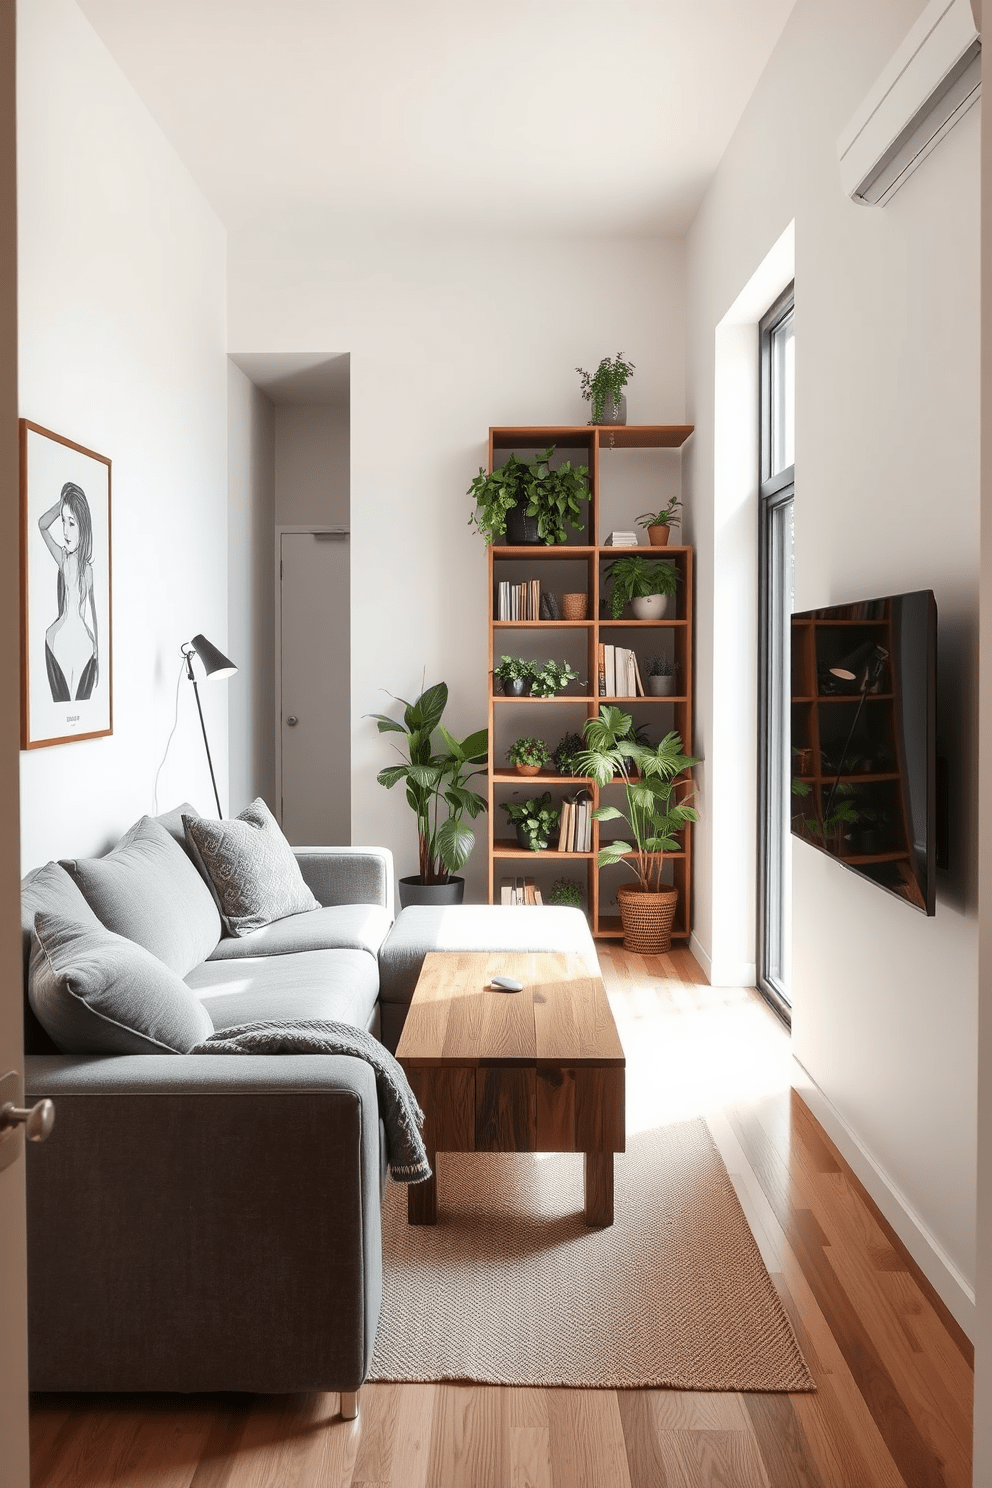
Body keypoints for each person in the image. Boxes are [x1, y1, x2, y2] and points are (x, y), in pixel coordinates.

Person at [38, 482, 99, 702]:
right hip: (63, 639)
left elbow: (87, 612)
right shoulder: (63, 559)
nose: (65, 531)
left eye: (71, 523)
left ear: (84, 525)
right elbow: (42, 525)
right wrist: (61, 505)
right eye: (63, 522)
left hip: (83, 644)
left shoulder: (88, 570)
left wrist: (95, 646)